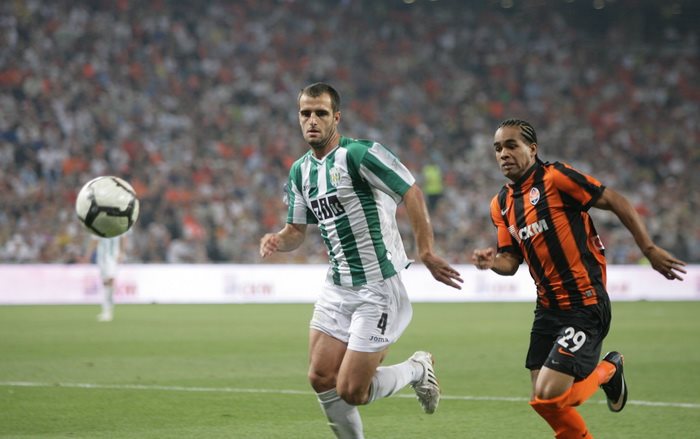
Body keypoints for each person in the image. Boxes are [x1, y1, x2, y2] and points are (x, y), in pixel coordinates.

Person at [259, 82, 463, 438]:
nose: (312, 120)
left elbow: (411, 191)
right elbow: (296, 231)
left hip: (377, 288)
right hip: (337, 286)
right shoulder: (300, 171)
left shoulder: (359, 155)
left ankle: (417, 368)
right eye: (305, 113)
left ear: (336, 117)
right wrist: (278, 239)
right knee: (320, 377)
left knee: (353, 390)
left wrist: (426, 250)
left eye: (321, 113)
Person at [472, 119, 686, 439]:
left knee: (552, 395)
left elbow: (615, 200)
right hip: (547, 309)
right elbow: (510, 260)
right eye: (498, 148)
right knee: (544, 400)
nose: (503, 153)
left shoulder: (555, 178)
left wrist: (649, 248)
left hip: (584, 303)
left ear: (532, 149)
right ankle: (604, 380)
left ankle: (609, 370)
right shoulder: (500, 204)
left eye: (511, 145)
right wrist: (491, 263)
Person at [86, 235, 125, 322]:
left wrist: (122, 252)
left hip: (113, 256)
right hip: (102, 257)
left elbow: (123, 237)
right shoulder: (99, 227)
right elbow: (94, 240)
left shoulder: (118, 227)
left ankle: (108, 309)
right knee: (105, 282)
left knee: (110, 279)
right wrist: (88, 254)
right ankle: (106, 309)